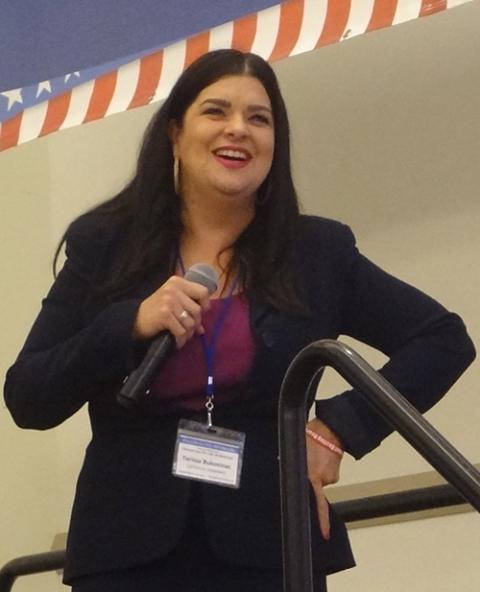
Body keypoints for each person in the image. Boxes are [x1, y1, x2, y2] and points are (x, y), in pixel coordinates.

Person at [4, 49, 475, 592]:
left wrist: (336, 430)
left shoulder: (316, 251)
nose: (238, 130)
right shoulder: (105, 245)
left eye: (259, 118)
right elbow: (28, 396)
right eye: (216, 112)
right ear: (175, 134)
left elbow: (442, 339)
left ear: (276, 143)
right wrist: (128, 324)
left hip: (269, 543)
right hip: (126, 550)